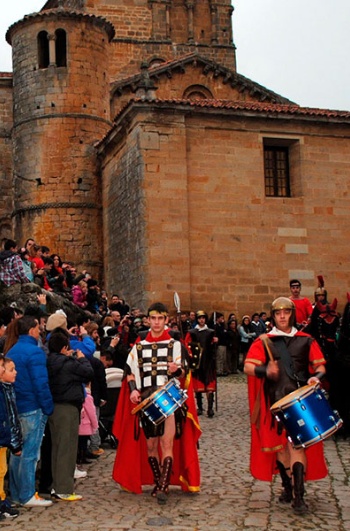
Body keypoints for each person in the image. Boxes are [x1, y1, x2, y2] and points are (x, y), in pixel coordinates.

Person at [244, 297, 328, 514]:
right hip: (274, 402)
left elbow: (320, 366)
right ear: (273, 316)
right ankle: (287, 485)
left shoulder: (306, 340)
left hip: (300, 402)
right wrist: (266, 371)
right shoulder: (265, 341)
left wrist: (316, 377)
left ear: (292, 314)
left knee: (297, 446)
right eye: (278, 313)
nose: (282, 316)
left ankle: (299, 496)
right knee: (280, 449)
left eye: (286, 312)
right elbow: (248, 366)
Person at [112, 302, 201, 504]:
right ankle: (157, 480)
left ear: (166, 320)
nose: (157, 322)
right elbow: (130, 371)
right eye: (154, 318)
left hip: (167, 397)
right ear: (149, 320)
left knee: (166, 442)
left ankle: (163, 485)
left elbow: (184, 373)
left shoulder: (175, 344)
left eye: (161, 318)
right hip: (146, 399)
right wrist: (134, 390)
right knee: (151, 446)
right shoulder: (139, 345)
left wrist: (175, 370)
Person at [7, 315, 54, 507]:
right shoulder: (35, 352)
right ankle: (27, 495)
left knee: (16, 452)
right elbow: (40, 382)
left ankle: (17, 494)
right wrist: (48, 406)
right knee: (30, 453)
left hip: (17, 406)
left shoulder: (12, 349)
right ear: (31, 330)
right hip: (33, 407)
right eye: (38, 327)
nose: (40, 330)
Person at [47, 330, 93, 502]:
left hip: (54, 406)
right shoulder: (68, 363)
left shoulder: (49, 361)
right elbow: (88, 373)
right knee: (67, 448)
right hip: (67, 407)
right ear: (65, 347)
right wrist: (81, 357)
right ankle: (64, 488)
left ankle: (56, 484)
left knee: (57, 448)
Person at [0, 355, 22, 519]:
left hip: (4, 437)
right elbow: (8, 418)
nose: (15, 372)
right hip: (3, 436)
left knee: (2, 470)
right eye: (8, 368)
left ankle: (2, 502)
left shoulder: (7, 389)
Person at [185, 310, 217, 417]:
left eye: (203, 318)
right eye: (199, 318)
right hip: (197, 362)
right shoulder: (192, 332)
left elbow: (213, 347)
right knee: (198, 385)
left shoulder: (211, 332)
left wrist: (215, 342)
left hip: (208, 361)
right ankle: (199, 407)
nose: (202, 320)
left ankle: (210, 408)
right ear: (197, 320)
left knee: (209, 385)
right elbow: (187, 345)